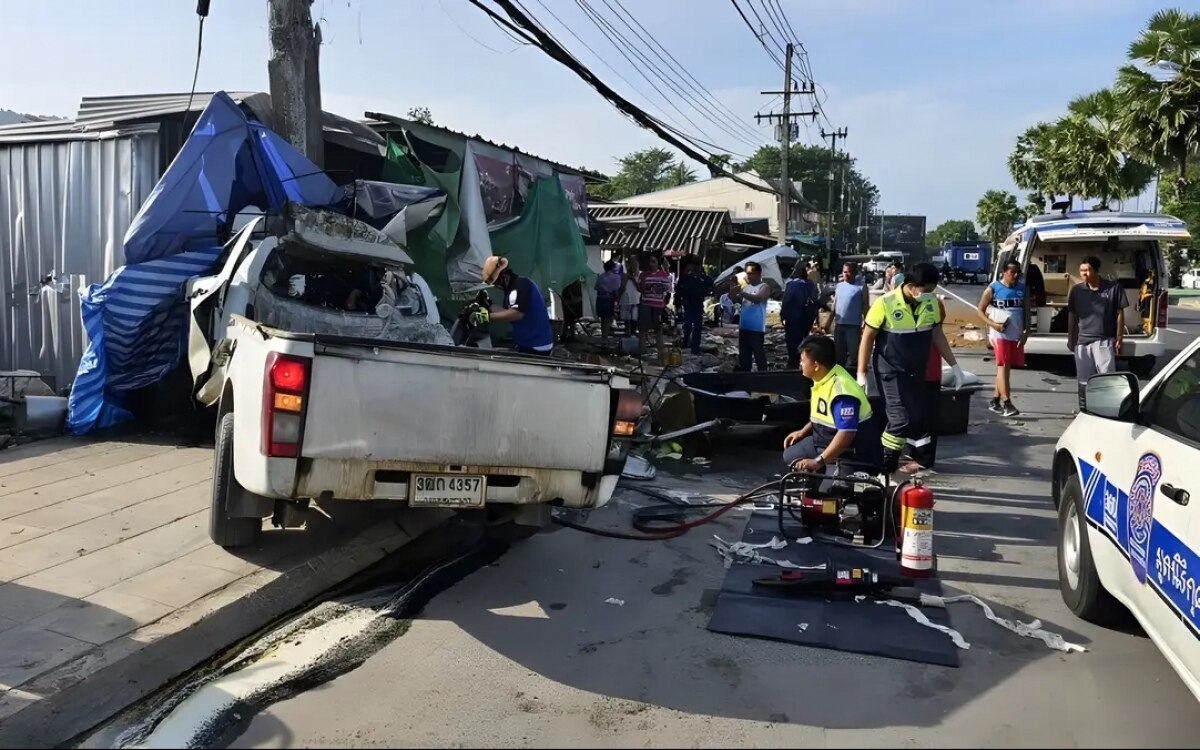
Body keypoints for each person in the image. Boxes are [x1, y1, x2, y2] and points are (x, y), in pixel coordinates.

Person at [858, 262, 965, 474]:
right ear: (912, 284)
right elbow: (867, 337)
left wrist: (955, 366)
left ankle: (891, 460)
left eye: (932, 290)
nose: (929, 294)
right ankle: (884, 465)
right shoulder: (885, 303)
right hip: (890, 370)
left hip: (916, 369)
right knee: (900, 420)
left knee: (915, 416)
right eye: (926, 290)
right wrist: (861, 372)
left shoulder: (931, 303)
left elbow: (936, 335)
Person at [782, 335, 883, 476]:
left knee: (831, 493)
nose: (800, 364)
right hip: (824, 440)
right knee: (790, 455)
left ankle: (824, 472)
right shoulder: (824, 377)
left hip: (852, 454)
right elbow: (821, 414)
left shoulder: (841, 392)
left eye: (803, 360)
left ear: (816, 365)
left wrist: (818, 461)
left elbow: (846, 433)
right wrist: (802, 432)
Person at [1068, 255, 1127, 408]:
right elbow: (1072, 315)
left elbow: (1120, 314)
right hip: (1082, 342)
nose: (1084, 274)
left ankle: (1108, 407)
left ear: (1096, 271)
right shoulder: (1076, 291)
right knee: (1084, 380)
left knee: (1106, 378)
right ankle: (1085, 408)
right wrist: (1071, 338)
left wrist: (1119, 337)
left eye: (1087, 270)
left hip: (1104, 340)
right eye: (1081, 271)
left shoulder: (1114, 288)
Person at [977, 259, 1029, 417]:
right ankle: (1007, 402)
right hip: (999, 333)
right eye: (1011, 272)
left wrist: (1027, 331)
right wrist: (993, 325)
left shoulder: (1023, 289)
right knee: (1003, 365)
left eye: (1017, 272)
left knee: (1006, 367)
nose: (1015, 275)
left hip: (1015, 333)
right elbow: (980, 310)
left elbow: (1026, 311)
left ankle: (995, 400)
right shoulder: (993, 289)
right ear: (1004, 272)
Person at [481, 256, 554, 356]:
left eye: (497, 283)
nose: (497, 286)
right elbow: (506, 312)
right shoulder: (512, 289)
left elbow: (517, 314)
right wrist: (487, 305)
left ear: (503, 276)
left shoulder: (522, 285)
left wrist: (487, 316)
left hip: (536, 345)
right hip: (527, 342)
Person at [730, 261, 771, 371]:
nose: (747, 275)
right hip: (744, 327)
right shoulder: (746, 287)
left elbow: (757, 299)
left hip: (756, 329)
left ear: (758, 274)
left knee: (759, 354)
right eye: (746, 273)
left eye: (750, 273)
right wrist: (733, 293)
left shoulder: (764, 287)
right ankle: (745, 376)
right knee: (744, 356)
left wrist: (742, 293)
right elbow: (736, 301)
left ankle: (763, 377)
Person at [833, 262, 870, 372]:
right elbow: (834, 305)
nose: (846, 275)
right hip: (839, 325)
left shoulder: (861, 287)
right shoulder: (839, 286)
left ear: (854, 273)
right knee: (839, 354)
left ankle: (854, 374)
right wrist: (827, 323)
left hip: (853, 326)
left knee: (854, 354)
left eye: (848, 272)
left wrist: (866, 323)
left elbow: (865, 306)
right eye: (844, 272)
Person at [781, 264, 819, 369]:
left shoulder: (791, 285)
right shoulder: (810, 284)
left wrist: (782, 315)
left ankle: (793, 363)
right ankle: (803, 362)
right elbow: (815, 301)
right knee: (803, 340)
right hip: (806, 318)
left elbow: (786, 301)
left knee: (792, 342)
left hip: (792, 318)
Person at [674, 257, 713, 355]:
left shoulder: (704, 279)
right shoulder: (686, 278)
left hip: (698, 305)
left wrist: (707, 291)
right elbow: (678, 290)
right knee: (687, 325)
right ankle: (686, 341)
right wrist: (678, 301)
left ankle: (695, 347)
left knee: (697, 326)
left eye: (697, 266)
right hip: (688, 304)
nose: (696, 268)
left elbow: (711, 287)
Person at [638, 254, 672, 359]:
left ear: (658, 263)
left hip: (658, 305)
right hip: (646, 304)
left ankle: (660, 353)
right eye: (650, 262)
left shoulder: (663, 275)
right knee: (643, 328)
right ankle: (642, 351)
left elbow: (668, 288)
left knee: (658, 329)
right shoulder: (643, 274)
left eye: (654, 261)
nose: (651, 264)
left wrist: (659, 288)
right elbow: (640, 288)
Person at [594, 260, 622, 345]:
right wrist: (618, 300)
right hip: (609, 299)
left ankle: (604, 336)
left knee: (603, 319)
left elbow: (596, 287)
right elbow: (617, 290)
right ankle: (605, 337)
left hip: (600, 298)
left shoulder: (601, 276)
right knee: (608, 318)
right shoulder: (616, 277)